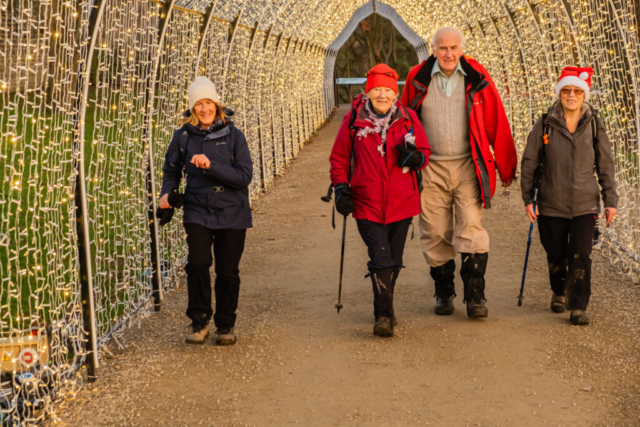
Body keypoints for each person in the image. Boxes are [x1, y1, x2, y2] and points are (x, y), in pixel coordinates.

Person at [401, 27, 517, 318]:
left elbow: (496, 120)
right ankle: (444, 292)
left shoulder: (477, 77)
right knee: (435, 230)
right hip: (431, 168)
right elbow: (403, 122)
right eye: (442, 48)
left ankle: (475, 295)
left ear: (462, 49)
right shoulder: (417, 78)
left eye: (453, 47)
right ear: (433, 50)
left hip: (468, 165)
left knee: (470, 227)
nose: (448, 53)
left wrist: (506, 167)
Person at [330, 64, 431, 337]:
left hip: (402, 201)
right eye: (377, 90)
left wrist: (416, 158)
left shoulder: (408, 118)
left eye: (387, 90)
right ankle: (383, 314)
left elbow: (424, 150)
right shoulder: (353, 121)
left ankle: (387, 307)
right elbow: (339, 158)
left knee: (394, 258)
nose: (382, 95)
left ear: (394, 92)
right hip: (366, 201)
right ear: (368, 91)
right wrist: (340, 187)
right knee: (381, 256)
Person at [158, 76, 253, 345]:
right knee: (198, 263)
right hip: (197, 208)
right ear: (192, 108)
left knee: (227, 270)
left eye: (208, 102)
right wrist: (167, 193)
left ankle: (226, 325)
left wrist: (211, 166)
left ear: (217, 105)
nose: (204, 109)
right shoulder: (183, 136)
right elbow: (171, 171)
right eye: (198, 104)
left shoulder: (234, 136)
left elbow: (244, 176)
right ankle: (199, 322)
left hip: (233, 210)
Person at [521, 67, 618, 325]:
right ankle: (558, 291)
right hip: (550, 203)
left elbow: (606, 164)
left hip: (585, 204)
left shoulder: (595, 124)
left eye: (577, 90)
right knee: (555, 252)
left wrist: (611, 200)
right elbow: (530, 162)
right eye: (566, 90)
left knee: (581, 254)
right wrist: (528, 199)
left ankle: (578, 305)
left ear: (584, 94)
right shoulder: (545, 123)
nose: (571, 95)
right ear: (559, 93)